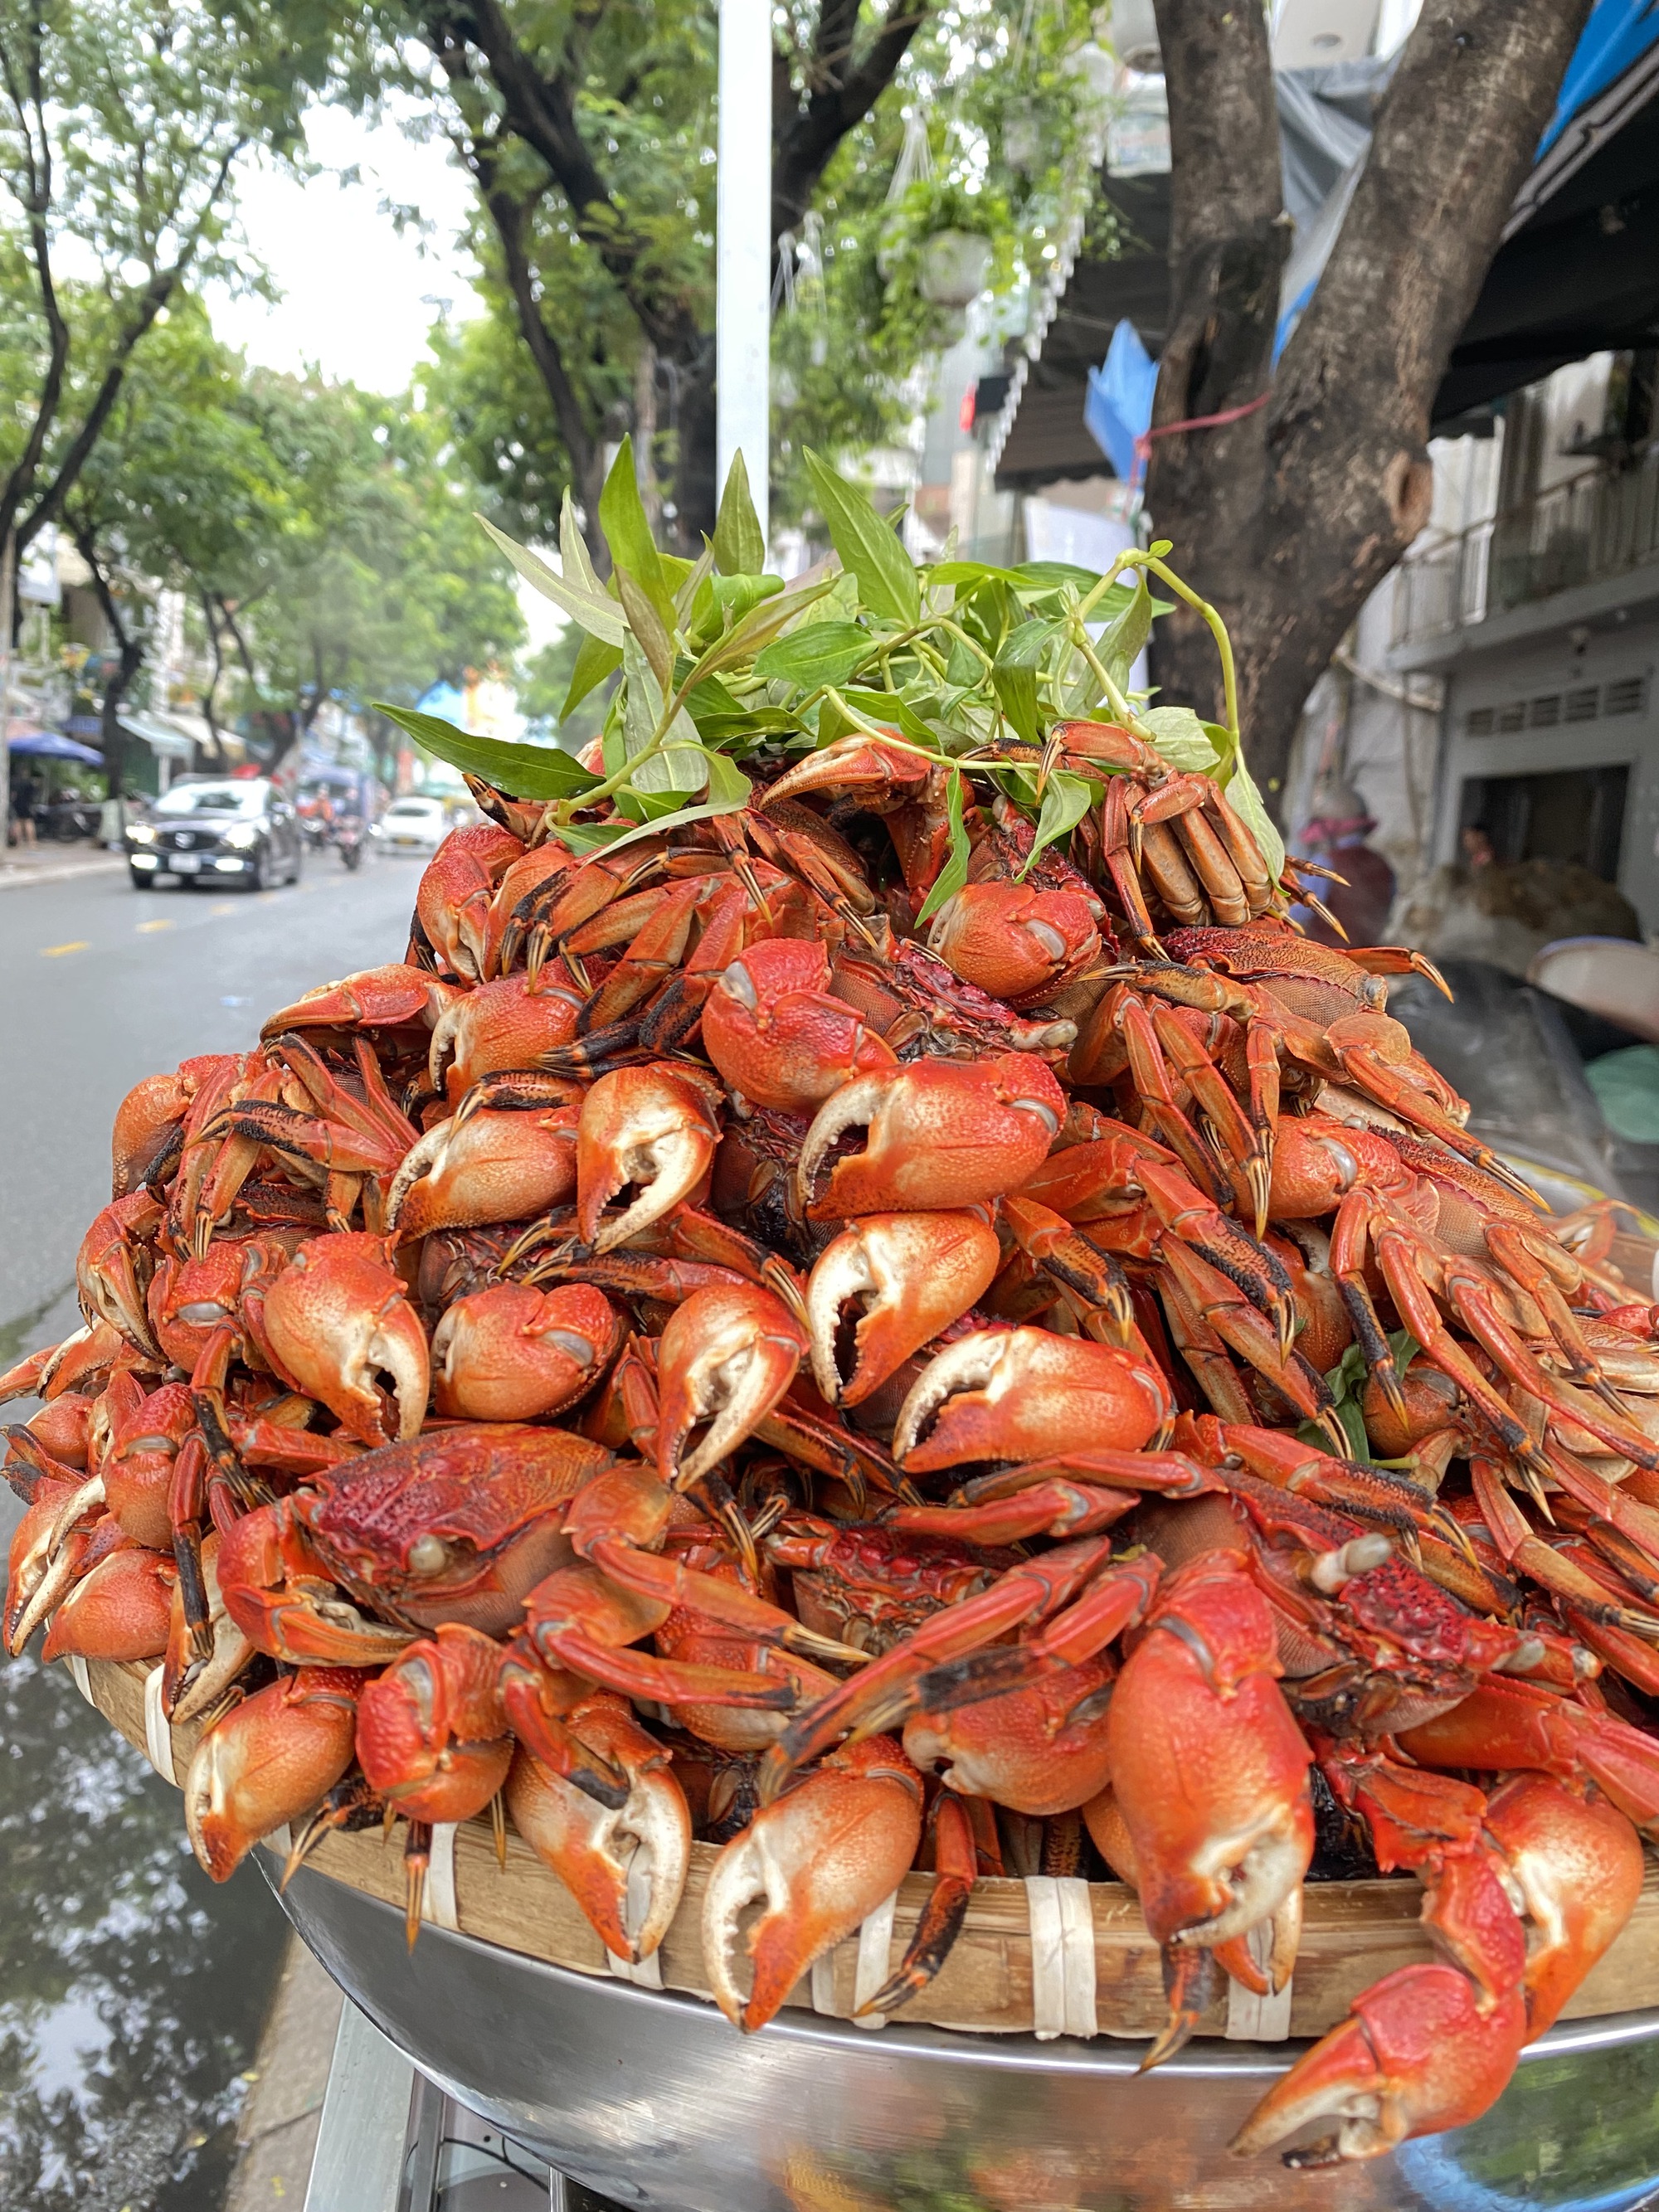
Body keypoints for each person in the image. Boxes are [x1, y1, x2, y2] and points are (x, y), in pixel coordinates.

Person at [1292, 783, 1395, 946]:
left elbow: (1297, 914)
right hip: (1367, 963)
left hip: (1324, 962)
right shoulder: (1385, 868)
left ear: (1334, 828)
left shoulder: (1325, 863)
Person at [9, 762, 38, 848]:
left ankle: (18, 842)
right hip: (27, 805)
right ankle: (32, 843)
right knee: (28, 823)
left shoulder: (14, 782)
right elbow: (34, 795)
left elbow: (13, 795)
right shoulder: (29, 783)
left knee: (18, 823)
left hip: (17, 805)